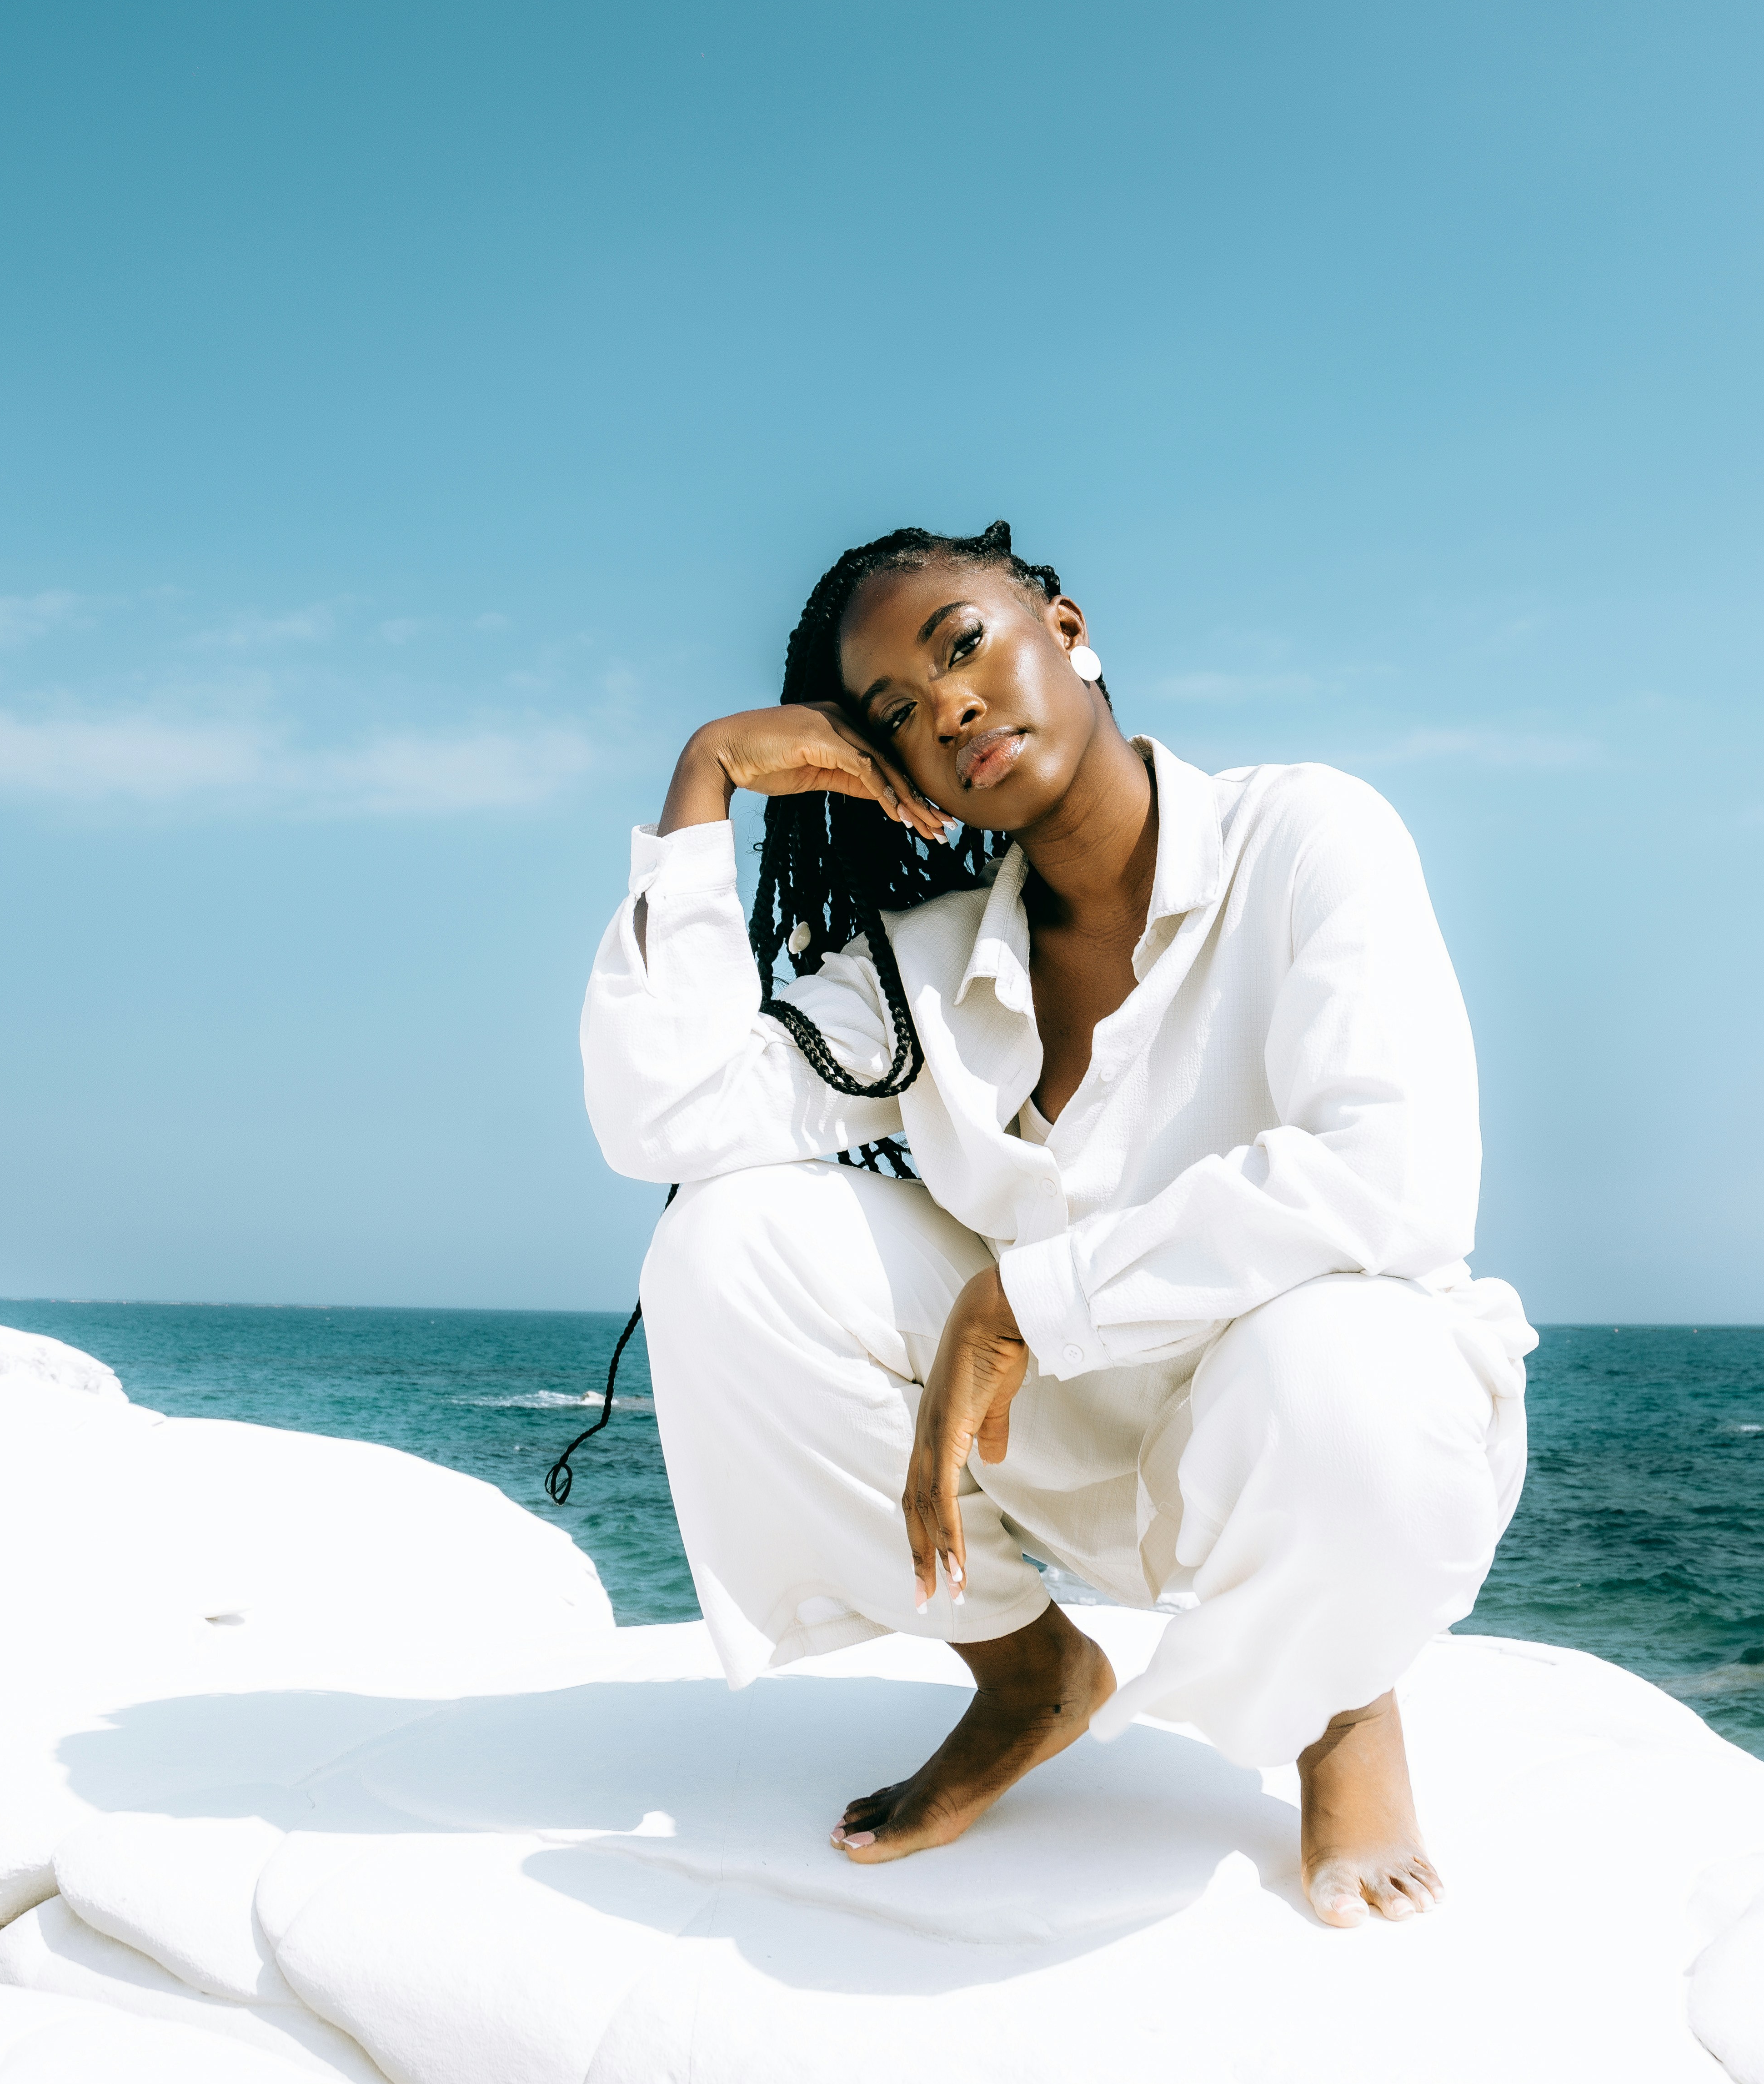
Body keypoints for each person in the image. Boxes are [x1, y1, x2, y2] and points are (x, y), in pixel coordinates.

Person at [580, 521, 1535, 1928]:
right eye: (894, 713)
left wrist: (1027, 1299)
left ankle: (1344, 1703)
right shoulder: (926, 961)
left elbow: (1392, 1175)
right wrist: (706, 774)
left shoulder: (1306, 833)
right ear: (883, 771)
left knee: (1340, 1350)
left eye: (962, 645)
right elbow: (667, 1119)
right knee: (720, 1243)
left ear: (1067, 628)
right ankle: (1030, 1678)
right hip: (1070, 1447)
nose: (946, 704)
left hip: (1313, 1431)